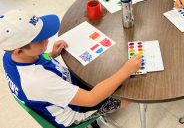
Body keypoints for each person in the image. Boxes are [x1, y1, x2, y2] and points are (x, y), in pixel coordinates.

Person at [0, 10, 142, 128]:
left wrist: (52, 54)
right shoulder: (37, 81)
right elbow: (91, 99)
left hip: (64, 89)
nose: (47, 40)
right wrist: (126, 70)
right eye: (40, 40)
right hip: (74, 113)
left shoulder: (9, 57)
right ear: (19, 51)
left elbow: (38, 63)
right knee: (125, 98)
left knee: (103, 73)